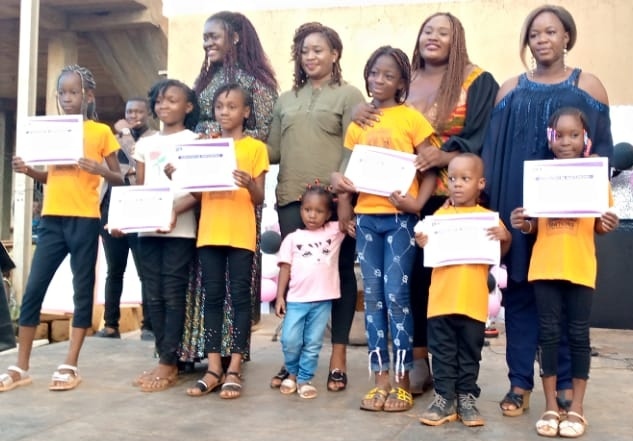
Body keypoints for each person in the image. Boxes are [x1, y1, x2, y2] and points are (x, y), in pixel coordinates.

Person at [353, 12, 499, 394]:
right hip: (407, 199)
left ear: (457, 39)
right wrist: (359, 110)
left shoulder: (476, 81)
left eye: (443, 32)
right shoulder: (404, 81)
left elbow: (481, 134)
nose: (433, 37)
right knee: (413, 280)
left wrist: (446, 155)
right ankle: (418, 358)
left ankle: (457, 367)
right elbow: (379, 125)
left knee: (452, 280)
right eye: (427, 30)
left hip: (455, 198)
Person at [481, 4, 613, 417]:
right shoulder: (509, 89)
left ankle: (567, 386)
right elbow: (492, 154)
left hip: (570, 216)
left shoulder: (589, 86)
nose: (542, 39)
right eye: (534, 34)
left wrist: (595, 204)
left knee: (564, 297)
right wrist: (495, 211)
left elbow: (602, 152)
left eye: (551, 32)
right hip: (518, 206)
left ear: (567, 36)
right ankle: (519, 383)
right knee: (520, 293)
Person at [0, 65, 122, 392]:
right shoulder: (53, 130)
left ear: (88, 96)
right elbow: (51, 176)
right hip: (52, 219)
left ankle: (70, 363)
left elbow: (119, 177)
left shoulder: (100, 132)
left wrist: (98, 168)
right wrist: (28, 170)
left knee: (82, 291)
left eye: (73, 92)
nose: (67, 98)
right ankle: (21, 365)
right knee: (33, 290)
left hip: (85, 220)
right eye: (62, 93)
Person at [333, 46, 436, 412]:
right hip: (366, 219)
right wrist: (345, 207)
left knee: (397, 297)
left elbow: (430, 168)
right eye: (374, 73)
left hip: (399, 221)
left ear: (402, 83)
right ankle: (380, 381)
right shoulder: (359, 122)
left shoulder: (412, 120)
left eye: (389, 75)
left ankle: (403, 381)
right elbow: (347, 172)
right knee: (374, 299)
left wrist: (417, 204)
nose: (379, 80)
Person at [266, 22, 365, 392]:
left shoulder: (349, 95)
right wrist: (227, 143)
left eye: (318, 50)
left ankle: (337, 357)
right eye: (304, 51)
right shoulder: (285, 99)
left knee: (338, 277)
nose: (310, 57)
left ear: (335, 54)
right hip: (292, 198)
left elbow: (354, 147)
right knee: (296, 278)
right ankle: (292, 360)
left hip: (336, 202)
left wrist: (345, 200)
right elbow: (272, 151)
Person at [510, 108, 618, 437]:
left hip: (580, 267)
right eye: (560, 135)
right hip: (545, 266)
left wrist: (607, 223)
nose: (566, 141)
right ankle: (550, 407)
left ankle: (577, 408)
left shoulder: (595, 178)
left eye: (574, 135)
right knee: (548, 336)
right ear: (550, 138)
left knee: (579, 336)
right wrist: (523, 223)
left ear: (586, 139)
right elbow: (533, 225)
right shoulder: (541, 177)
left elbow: (600, 226)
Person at [180, 10, 278, 364]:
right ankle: (202, 350)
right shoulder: (206, 80)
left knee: (235, 288)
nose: (207, 43)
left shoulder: (256, 83)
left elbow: (264, 132)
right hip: (208, 192)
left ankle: (233, 354)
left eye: (214, 36)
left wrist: (218, 142)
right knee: (207, 284)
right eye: (204, 38)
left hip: (239, 188)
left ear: (235, 37)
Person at [181, 83, 268, 399]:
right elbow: (196, 193)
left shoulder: (255, 149)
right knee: (212, 298)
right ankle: (214, 367)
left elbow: (259, 197)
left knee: (241, 299)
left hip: (240, 233)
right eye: (219, 106)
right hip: (210, 232)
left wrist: (248, 184)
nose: (224, 112)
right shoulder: (207, 146)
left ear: (246, 112)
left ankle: (235, 367)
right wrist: (177, 174)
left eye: (232, 106)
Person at [416, 153, 511, 427]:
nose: (457, 184)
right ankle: (444, 399)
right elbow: (426, 245)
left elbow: (501, 252)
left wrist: (505, 237)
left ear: (480, 183)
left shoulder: (488, 220)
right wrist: (422, 240)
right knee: (442, 353)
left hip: (472, 302)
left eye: (465, 179)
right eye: (452, 178)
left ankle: (466, 398)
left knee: (470, 353)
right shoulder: (439, 217)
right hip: (441, 301)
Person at [131, 79, 200, 392]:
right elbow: (141, 188)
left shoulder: (195, 141)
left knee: (173, 295)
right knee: (153, 296)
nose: (164, 106)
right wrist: (127, 219)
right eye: (159, 101)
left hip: (180, 231)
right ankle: (163, 357)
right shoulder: (145, 144)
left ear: (188, 106)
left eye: (172, 100)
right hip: (148, 230)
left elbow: (199, 191)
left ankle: (170, 362)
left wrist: (174, 211)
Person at [274, 184, 346, 399]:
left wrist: (341, 198)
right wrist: (280, 296)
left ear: (328, 214)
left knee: (313, 343)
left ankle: (304, 379)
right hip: (296, 300)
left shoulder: (334, 231)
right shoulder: (292, 238)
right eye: (307, 209)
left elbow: (347, 219)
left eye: (319, 211)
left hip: (322, 301)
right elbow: (285, 268)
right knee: (289, 340)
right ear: (300, 210)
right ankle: (292, 371)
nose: (312, 215)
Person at [95, 97, 156, 340]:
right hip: (111, 209)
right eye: (130, 112)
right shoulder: (113, 139)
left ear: (148, 113)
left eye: (139, 111)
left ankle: (149, 325)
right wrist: (126, 172)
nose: (133, 116)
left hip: (141, 209)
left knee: (145, 271)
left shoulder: (154, 139)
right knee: (114, 270)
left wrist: (127, 136)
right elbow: (110, 172)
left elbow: (141, 168)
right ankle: (111, 325)